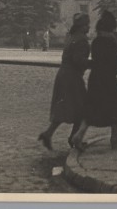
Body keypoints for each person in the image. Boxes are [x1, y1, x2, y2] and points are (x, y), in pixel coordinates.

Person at [72, 10, 117, 151]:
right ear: (111, 29)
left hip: (96, 79)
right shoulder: (111, 42)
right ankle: (115, 138)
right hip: (109, 80)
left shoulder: (96, 42)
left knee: (92, 108)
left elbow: (96, 60)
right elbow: (116, 67)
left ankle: (79, 135)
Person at [38, 13, 91, 150]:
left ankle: (48, 134)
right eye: (86, 25)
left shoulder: (71, 37)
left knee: (64, 107)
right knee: (83, 108)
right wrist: (94, 63)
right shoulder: (81, 40)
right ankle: (74, 138)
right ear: (82, 26)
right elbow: (78, 60)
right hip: (72, 77)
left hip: (64, 75)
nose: (88, 27)